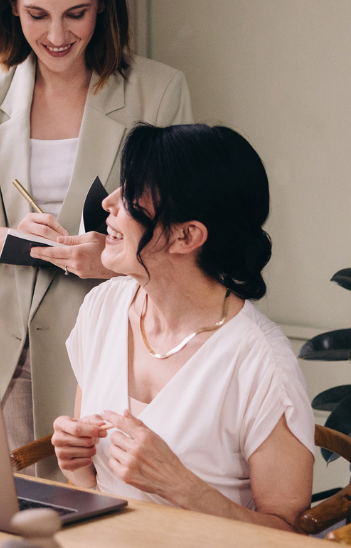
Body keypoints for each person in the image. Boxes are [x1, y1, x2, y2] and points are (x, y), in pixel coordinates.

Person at [0, 0, 192, 463]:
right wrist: (10, 240)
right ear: (13, 9)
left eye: (76, 14)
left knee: (77, 524)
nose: (56, 36)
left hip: (100, 351)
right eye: (37, 15)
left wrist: (113, 259)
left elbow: (183, 234)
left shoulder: (158, 92)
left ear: (103, 6)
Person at [53, 123, 313, 531]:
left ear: (186, 235)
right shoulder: (101, 309)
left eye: (131, 194)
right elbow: (96, 491)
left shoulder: (260, 362)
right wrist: (78, 465)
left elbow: (289, 535)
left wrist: (182, 487)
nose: (109, 202)